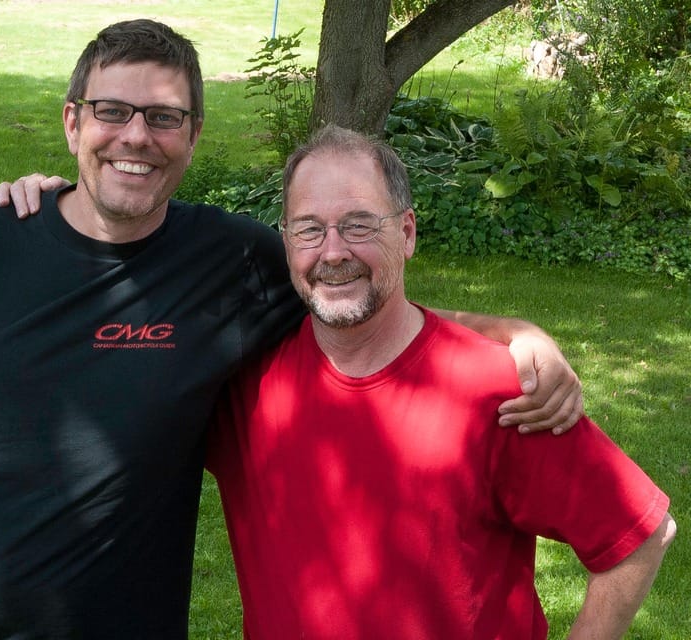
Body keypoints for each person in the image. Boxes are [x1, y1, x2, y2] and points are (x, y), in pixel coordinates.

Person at [0, 20, 583, 639]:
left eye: (163, 117)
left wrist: (514, 330)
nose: (135, 136)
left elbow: (366, 309)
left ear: (193, 133)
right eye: (112, 111)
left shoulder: (233, 261)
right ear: (73, 122)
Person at [207, 124, 676, 639]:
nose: (333, 251)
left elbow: (639, 534)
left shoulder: (498, 390)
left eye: (359, 225)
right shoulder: (244, 385)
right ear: (286, 243)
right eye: (309, 229)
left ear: (407, 233)